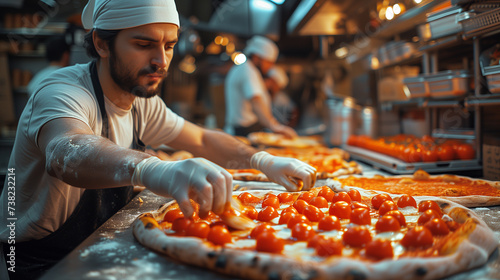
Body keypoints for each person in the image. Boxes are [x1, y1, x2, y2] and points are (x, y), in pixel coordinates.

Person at [0, 0, 316, 279]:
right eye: (143, 44)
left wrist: (262, 160)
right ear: (101, 43)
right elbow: (66, 151)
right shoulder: (62, 90)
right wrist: (154, 169)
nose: (161, 61)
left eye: (168, 45)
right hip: (42, 260)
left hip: (100, 243)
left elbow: (203, 139)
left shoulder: (141, 103)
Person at [224, 36, 297, 138]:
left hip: (248, 130)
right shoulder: (247, 71)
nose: (270, 67)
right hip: (242, 132)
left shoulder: (249, 70)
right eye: (268, 62)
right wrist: (275, 127)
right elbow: (256, 102)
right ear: (257, 57)